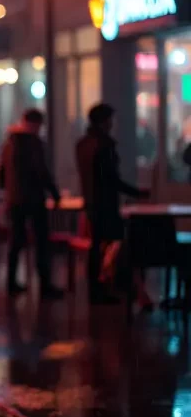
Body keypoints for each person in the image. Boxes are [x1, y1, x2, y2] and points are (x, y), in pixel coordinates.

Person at [76, 103, 150, 306]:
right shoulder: (104, 145)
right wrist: (137, 192)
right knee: (116, 242)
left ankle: (96, 289)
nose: (112, 124)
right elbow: (111, 179)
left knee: (96, 246)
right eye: (110, 120)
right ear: (104, 121)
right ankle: (113, 285)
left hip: (91, 203)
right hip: (106, 204)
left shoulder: (83, 144)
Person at [0, 108, 62, 298]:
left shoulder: (9, 143)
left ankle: (11, 282)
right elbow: (41, 171)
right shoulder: (33, 143)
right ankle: (45, 285)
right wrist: (54, 193)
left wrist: (8, 189)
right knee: (41, 241)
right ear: (36, 124)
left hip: (14, 199)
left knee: (16, 241)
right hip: (33, 198)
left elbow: (0, 172)